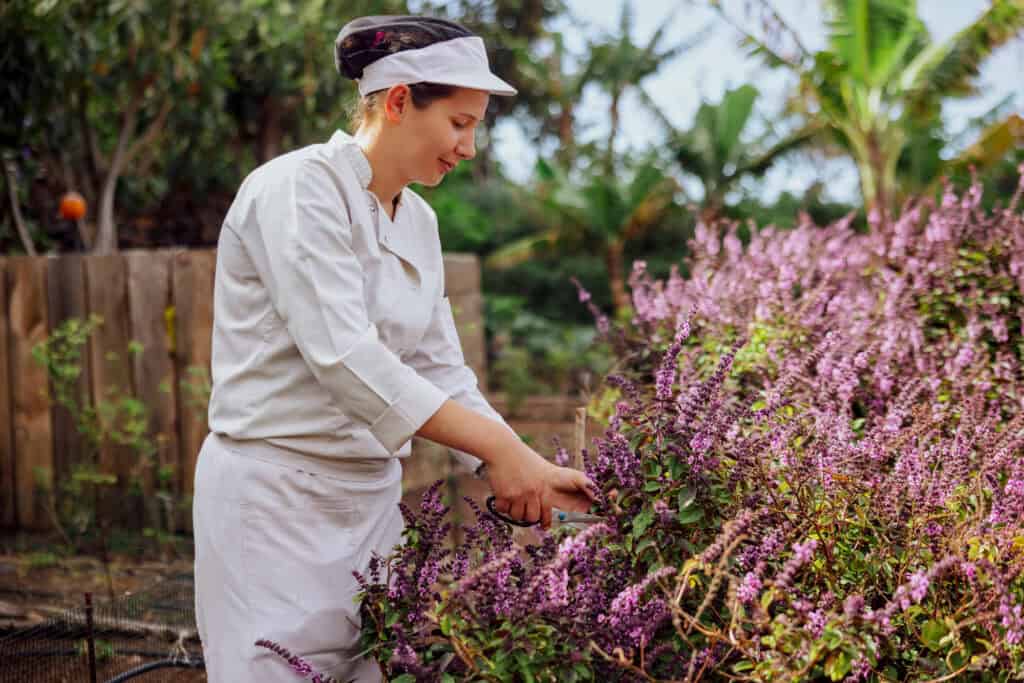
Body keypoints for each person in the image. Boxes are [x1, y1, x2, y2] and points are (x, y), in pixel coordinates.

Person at [192, 15, 597, 682]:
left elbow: (440, 369)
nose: (468, 147)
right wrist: (501, 451)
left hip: (369, 510)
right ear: (401, 99)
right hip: (273, 504)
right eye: (460, 124)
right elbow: (345, 357)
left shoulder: (419, 220)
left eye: (476, 127)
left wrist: (523, 461)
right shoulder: (298, 189)